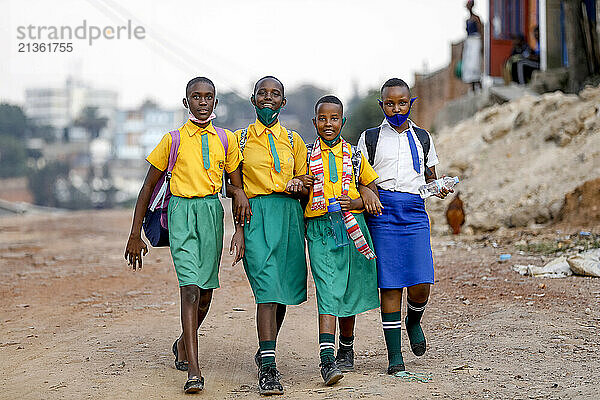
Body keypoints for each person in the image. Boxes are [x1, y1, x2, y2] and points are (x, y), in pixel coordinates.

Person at [124, 77, 247, 394]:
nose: (202, 102)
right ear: (186, 102)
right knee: (190, 289)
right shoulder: (173, 140)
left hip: (211, 214)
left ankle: (181, 343)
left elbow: (236, 187)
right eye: (196, 97)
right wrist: (134, 235)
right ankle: (194, 369)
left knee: (206, 294)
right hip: (180, 214)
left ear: (215, 103)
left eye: (208, 97)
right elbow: (147, 187)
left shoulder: (226, 139)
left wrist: (240, 228)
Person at [357, 78, 452, 375]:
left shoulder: (423, 137)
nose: (395, 108)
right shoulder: (370, 138)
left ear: (411, 103)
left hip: (414, 212)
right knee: (390, 283)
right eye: (389, 103)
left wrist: (440, 187)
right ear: (381, 104)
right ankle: (394, 357)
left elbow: (429, 178)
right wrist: (367, 193)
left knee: (422, 281)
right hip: (382, 212)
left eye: (401, 103)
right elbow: (358, 178)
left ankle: (413, 320)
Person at [293, 95, 381, 385]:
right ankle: (327, 361)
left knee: (349, 289)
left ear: (343, 121)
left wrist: (362, 197)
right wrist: (299, 186)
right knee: (329, 292)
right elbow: (298, 190)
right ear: (314, 122)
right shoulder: (304, 155)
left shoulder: (354, 155)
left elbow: (371, 189)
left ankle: (347, 347)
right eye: (322, 118)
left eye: (334, 118)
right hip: (320, 229)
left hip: (352, 227)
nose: (328, 123)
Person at [230, 76, 308, 395]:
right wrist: (238, 205)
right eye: (262, 93)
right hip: (255, 215)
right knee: (267, 290)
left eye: (275, 94)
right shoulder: (240, 139)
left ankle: (266, 348)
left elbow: (306, 178)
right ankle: (269, 369)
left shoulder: (293, 139)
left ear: (283, 102)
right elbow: (229, 183)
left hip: (289, 216)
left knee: (284, 292)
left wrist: (300, 183)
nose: (268, 97)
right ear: (253, 99)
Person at [462, 0, 484, 90]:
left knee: (475, 63)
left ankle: (479, 85)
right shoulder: (467, 20)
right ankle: (473, 88)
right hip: (469, 43)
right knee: (469, 64)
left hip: (476, 41)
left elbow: (481, 31)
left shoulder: (476, 18)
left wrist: (482, 45)